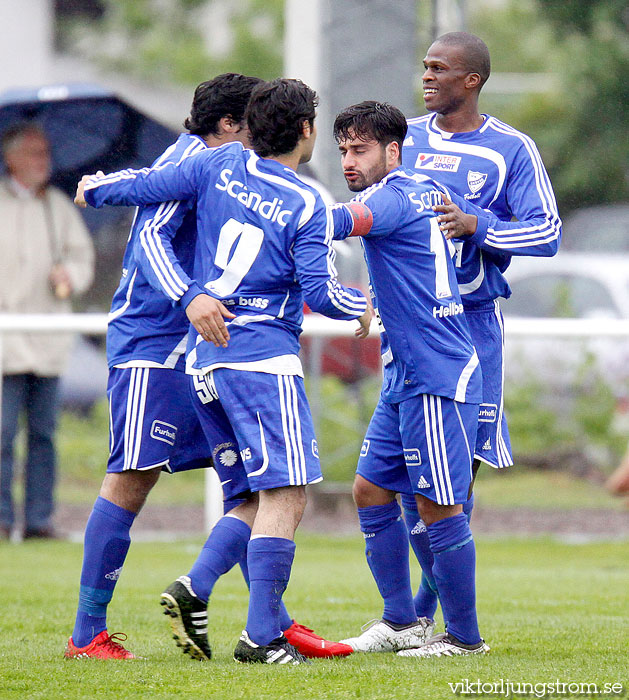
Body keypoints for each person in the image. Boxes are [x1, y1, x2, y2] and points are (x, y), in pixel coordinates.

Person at [75, 78, 371, 665]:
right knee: (135, 477)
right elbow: (150, 239)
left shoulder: (228, 165)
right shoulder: (202, 160)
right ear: (236, 126)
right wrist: (189, 297)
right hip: (157, 343)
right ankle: (89, 632)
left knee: (256, 488)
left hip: (208, 347)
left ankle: (253, 612)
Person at [328, 100, 517, 658]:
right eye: (342, 150)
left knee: (439, 505)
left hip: (436, 372)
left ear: (393, 150)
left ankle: (464, 638)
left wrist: (288, 210)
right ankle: (402, 621)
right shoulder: (418, 188)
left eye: (360, 149)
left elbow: (349, 221)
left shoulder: (389, 196)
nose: (348, 161)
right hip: (405, 372)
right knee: (370, 488)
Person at [400, 31, 561, 630]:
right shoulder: (405, 139)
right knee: (394, 476)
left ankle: (426, 617)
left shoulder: (511, 149)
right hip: (410, 326)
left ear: (473, 80)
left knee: (455, 474)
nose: (428, 76)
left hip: (471, 328)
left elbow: (546, 232)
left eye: (440, 68)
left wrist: (478, 224)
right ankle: (410, 617)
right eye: (425, 67)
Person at [0, 123, 94, 541]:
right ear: (11, 158)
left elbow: (81, 259)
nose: (44, 161)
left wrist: (69, 278)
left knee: (43, 435)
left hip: (49, 339)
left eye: (45, 152)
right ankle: (3, 518)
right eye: (34, 153)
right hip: (6, 337)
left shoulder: (58, 206)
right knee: (3, 434)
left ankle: (39, 520)